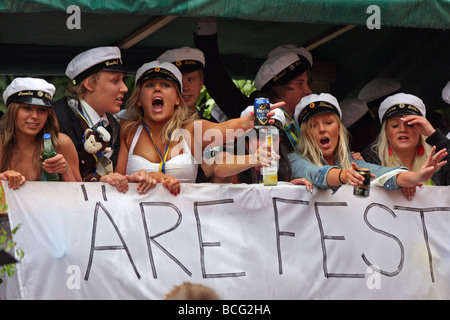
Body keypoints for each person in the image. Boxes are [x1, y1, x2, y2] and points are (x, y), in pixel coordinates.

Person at [114, 60, 277, 195]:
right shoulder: (127, 130)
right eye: (149, 85)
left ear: (178, 99)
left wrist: (248, 121)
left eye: (165, 85)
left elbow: (224, 129)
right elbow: (117, 182)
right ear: (139, 100)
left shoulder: (192, 130)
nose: (157, 88)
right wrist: (141, 177)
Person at [288, 93, 447, 197]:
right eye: (313, 126)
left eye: (328, 123)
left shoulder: (353, 163)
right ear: (305, 134)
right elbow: (316, 173)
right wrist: (344, 175)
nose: (322, 129)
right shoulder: (292, 160)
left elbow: (380, 173)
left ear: (339, 128)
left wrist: (415, 177)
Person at [195, 19, 313, 151]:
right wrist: (207, 23)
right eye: (300, 84)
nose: (308, 90)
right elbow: (216, 78)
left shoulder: (311, 119)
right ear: (278, 89)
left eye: (307, 83)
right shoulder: (251, 114)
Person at [361, 93, 450, 197]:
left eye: (410, 124)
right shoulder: (369, 159)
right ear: (385, 132)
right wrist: (399, 180)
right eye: (395, 125)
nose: (403, 130)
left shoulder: (438, 156)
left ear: (421, 128)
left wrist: (435, 136)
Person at [0, 77, 82, 189]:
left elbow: (80, 195)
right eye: (27, 108)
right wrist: (2, 179)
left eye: (42, 110)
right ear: (12, 111)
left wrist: (65, 171)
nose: (35, 116)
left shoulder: (61, 143)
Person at [212, 106, 313, 190]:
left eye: (273, 138)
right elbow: (218, 169)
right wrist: (253, 159)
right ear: (245, 140)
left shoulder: (281, 168)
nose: (266, 144)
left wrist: (288, 187)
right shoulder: (228, 155)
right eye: (259, 137)